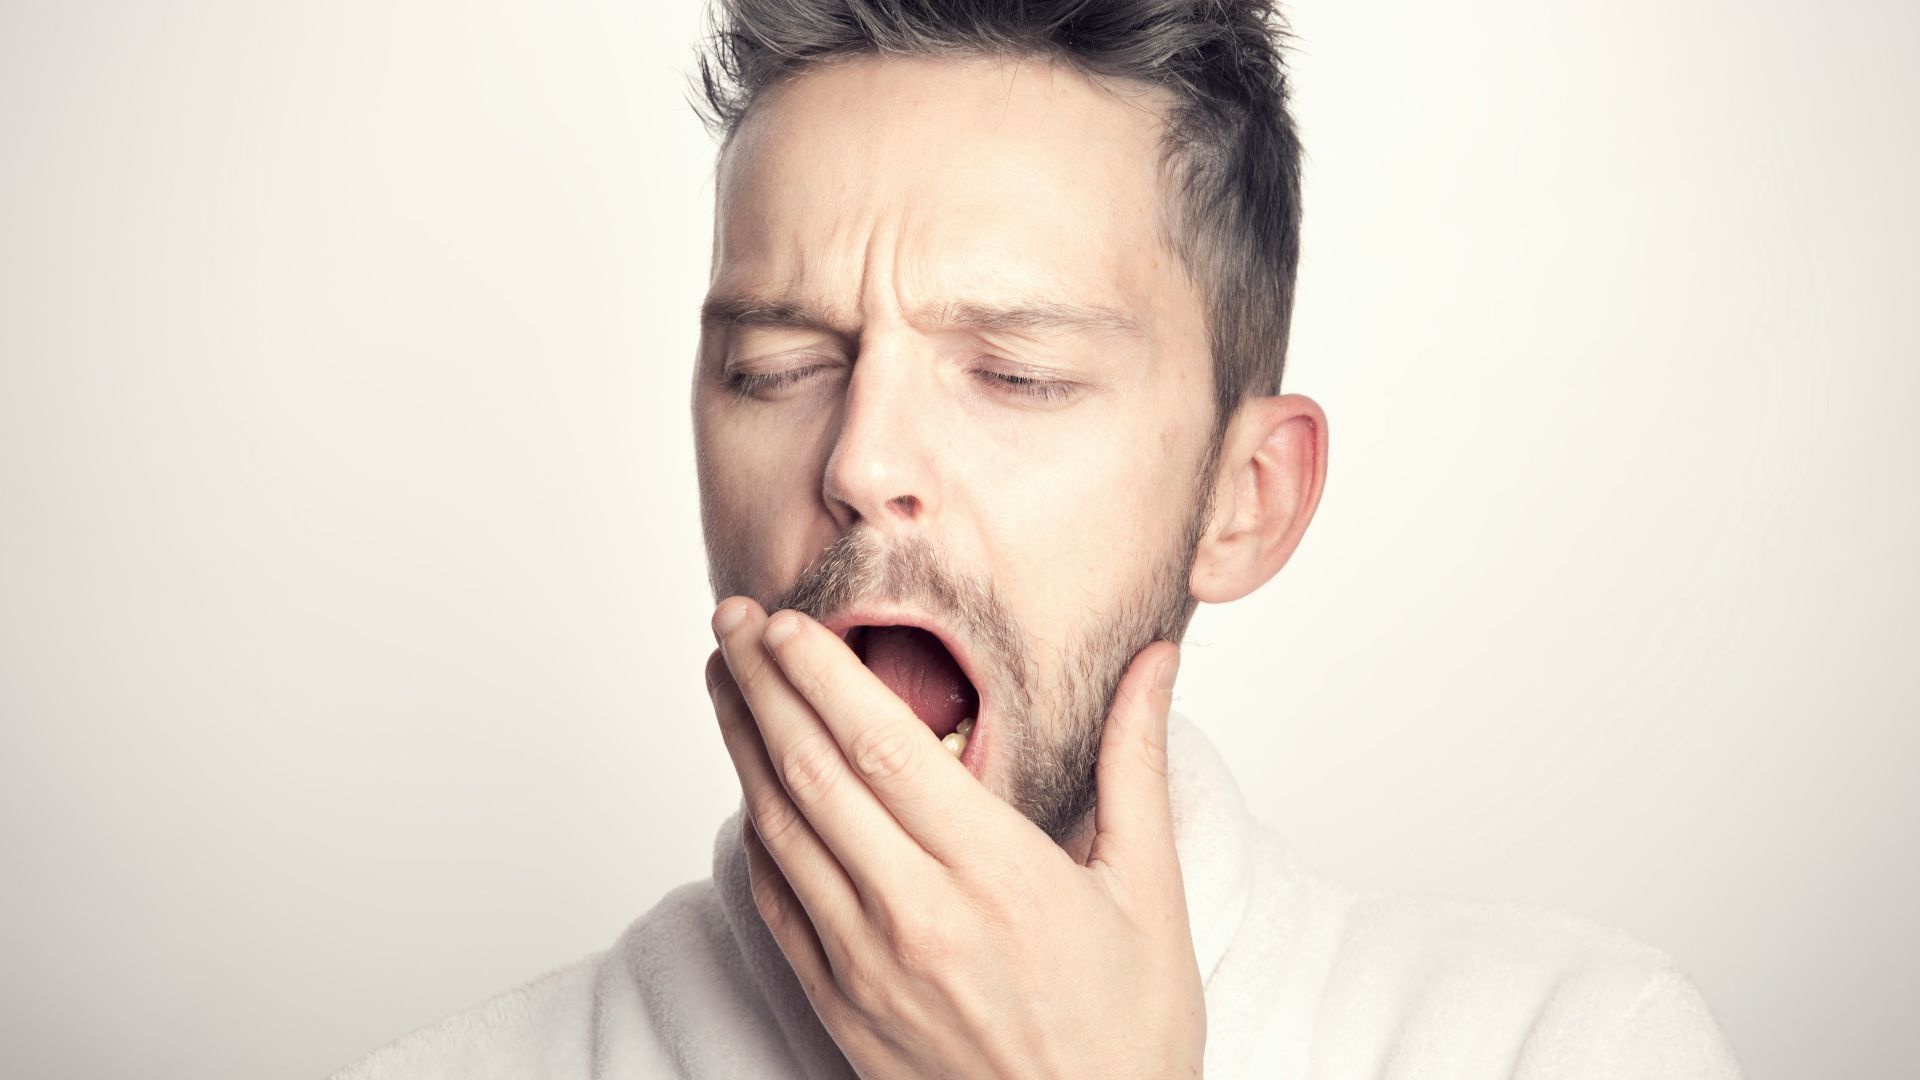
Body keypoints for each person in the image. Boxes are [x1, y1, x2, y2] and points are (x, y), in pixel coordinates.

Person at [333, 1, 1741, 1076]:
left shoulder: (1565, 1046)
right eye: (775, 365)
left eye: (1016, 374)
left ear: (1242, 499)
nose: (863, 461)